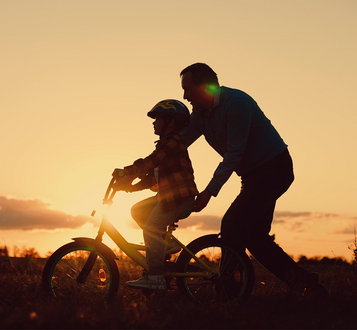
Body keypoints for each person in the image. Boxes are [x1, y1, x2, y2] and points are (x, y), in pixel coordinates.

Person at [179, 62, 328, 297]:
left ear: (205, 87)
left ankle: (230, 290)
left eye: (187, 89)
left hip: (274, 169)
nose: (184, 96)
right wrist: (147, 166)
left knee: (232, 225)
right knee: (256, 238)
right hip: (252, 175)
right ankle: (306, 285)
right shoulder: (200, 115)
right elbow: (177, 144)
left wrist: (209, 191)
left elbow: (235, 153)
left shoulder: (236, 103)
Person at [112, 99, 199, 291]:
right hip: (168, 197)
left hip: (178, 198)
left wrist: (124, 172)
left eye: (157, 119)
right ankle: (164, 245)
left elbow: (151, 161)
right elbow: (151, 179)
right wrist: (127, 187)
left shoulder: (173, 141)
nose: (153, 123)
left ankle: (155, 277)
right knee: (137, 210)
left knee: (150, 228)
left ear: (171, 122)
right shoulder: (164, 144)